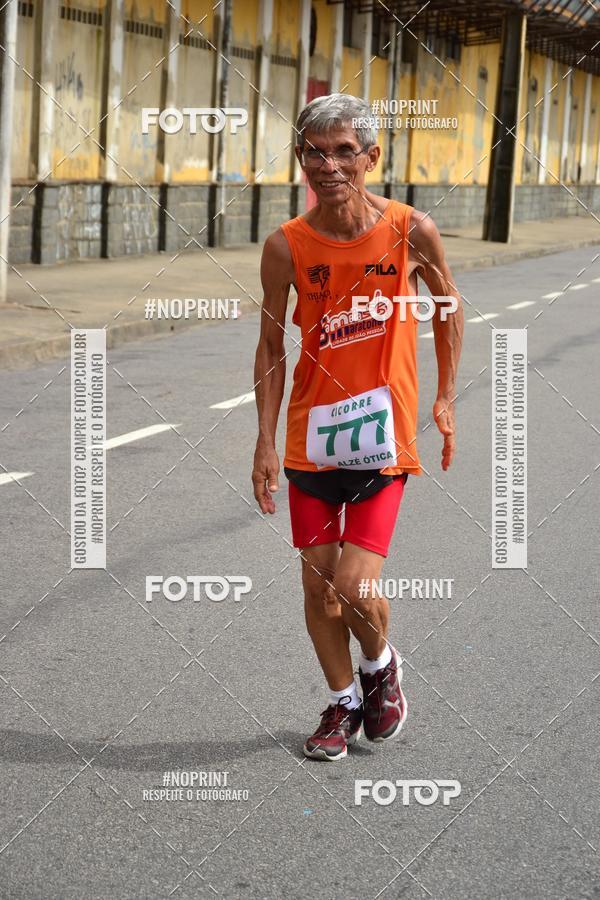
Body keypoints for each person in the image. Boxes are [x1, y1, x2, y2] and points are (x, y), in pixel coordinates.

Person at [252, 93, 463, 761]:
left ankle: (380, 666)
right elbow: (269, 346)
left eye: (346, 151)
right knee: (316, 584)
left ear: (372, 158)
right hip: (310, 439)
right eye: (316, 151)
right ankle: (343, 703)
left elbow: (449, 308)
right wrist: (262, 439)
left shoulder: (410, 230)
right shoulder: (286, 246)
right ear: (300, 160)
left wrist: (446, 396)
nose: (330, 164)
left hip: (384, 436)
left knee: (353, 585)